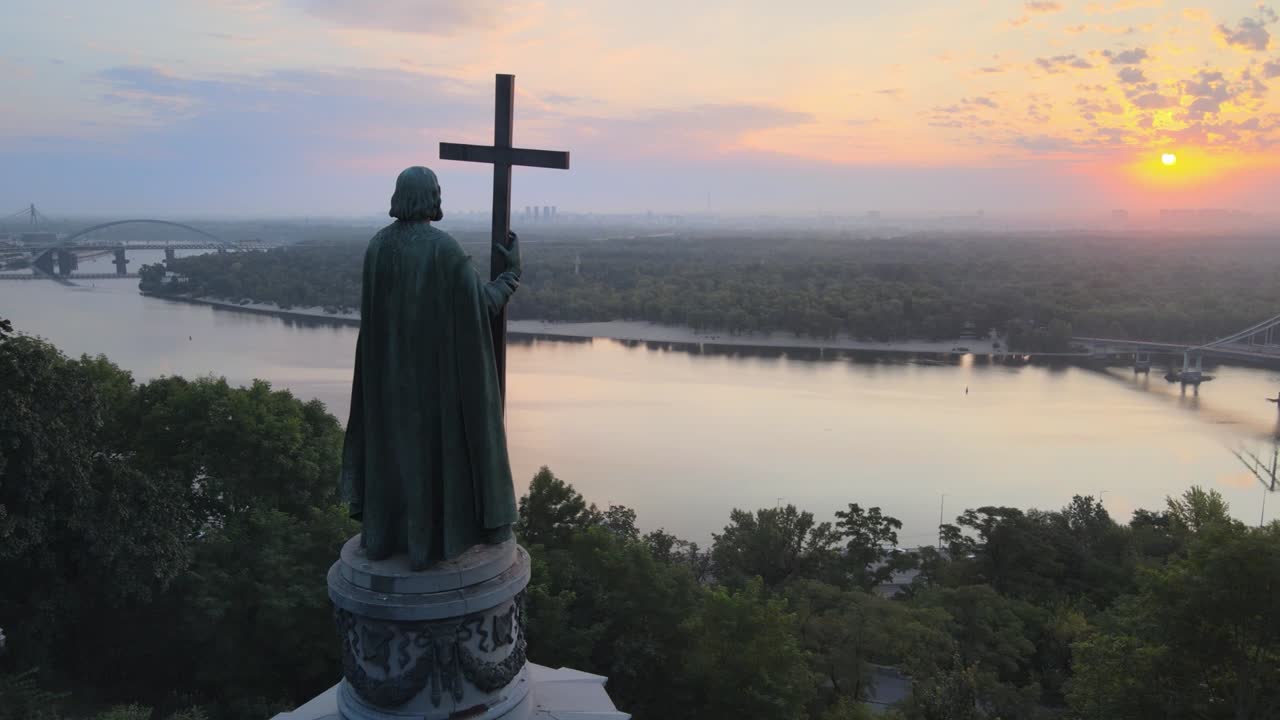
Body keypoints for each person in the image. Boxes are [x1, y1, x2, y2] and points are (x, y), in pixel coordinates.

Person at [340, 166, 521, 570]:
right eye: (437, 190)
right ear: (431, 197)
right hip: (433, 389)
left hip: (387, 386)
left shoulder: (377, 247)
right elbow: (482, 306)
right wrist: (511, 275)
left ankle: (386, 537)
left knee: (395, 456)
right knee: (431, 457)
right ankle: (430, 544)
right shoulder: (444, 250)